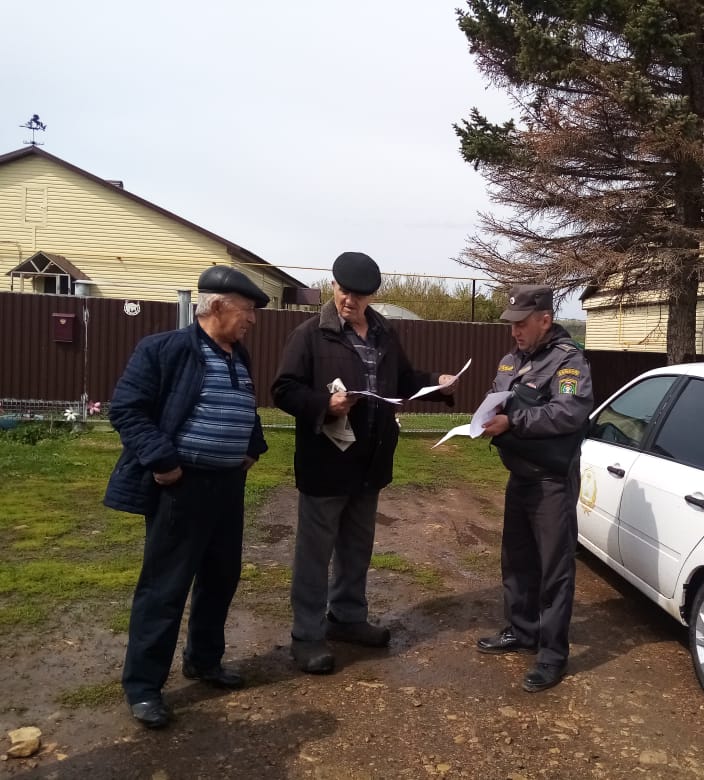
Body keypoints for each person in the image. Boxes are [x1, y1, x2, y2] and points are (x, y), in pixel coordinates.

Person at [272, 251, 456, 674]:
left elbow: (403, 380)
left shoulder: (384, 333)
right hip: (326, 462)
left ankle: (347, 617)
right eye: (343, 291)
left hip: (370, 462)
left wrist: (438, 384)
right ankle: (307, 635)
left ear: (371, 296)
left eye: (358, 295)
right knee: (315, 554)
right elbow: (283, 390)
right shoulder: (310, 334)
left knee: (357, 548)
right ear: (333, 285)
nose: (348, 300)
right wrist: (324, 404)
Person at [104, 265, 270, 729]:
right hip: (182, 486)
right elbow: (127, 410)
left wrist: (252, 447)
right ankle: (143, 687)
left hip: (227, 487)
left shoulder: (238, 355)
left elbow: (243, 407)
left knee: (221, 578)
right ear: (215, 306)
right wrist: (162, 460)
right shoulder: (164, 349)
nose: (252, 319)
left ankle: (204, 660)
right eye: (247, 310)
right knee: (165, 587)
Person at [477, 284, 594, 692]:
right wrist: (487, 414)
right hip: (520, 475)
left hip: (551, 482)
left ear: (545, 320)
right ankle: (522, 630)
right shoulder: (512, 359)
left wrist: (515, 421)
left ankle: (552, 655)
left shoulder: (568, 361)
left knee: (554, 570)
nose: (515, 332)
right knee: (517, 560)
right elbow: (496, 395)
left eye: (522, 324)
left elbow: (569, 412)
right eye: (511, 324)